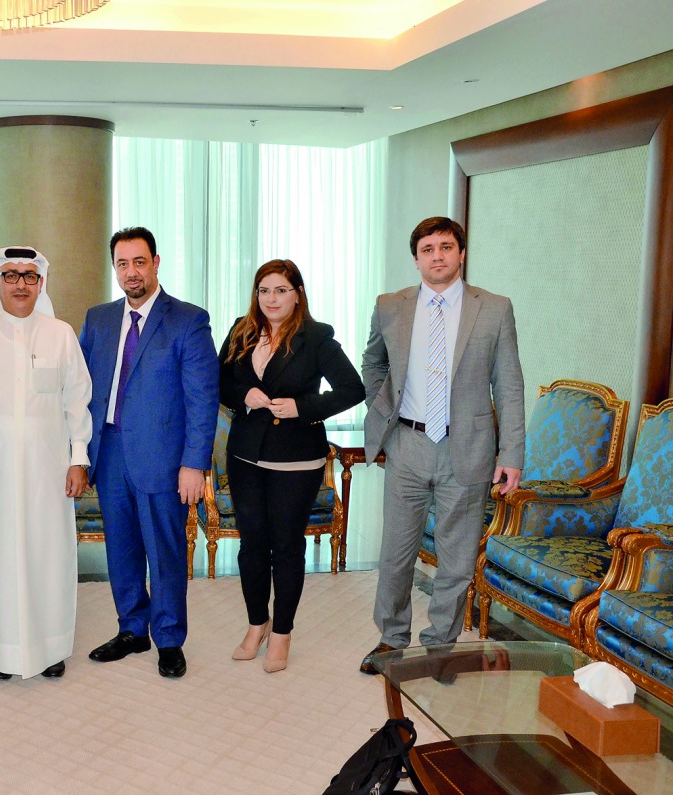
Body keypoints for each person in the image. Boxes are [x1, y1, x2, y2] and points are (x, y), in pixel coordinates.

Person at [360, 216, 524, 674]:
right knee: (395, 554)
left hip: (467, 450)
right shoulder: (390, 306)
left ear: (461, 253)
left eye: (446, 247)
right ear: (416, 259)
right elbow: (372, 363)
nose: (437, 256)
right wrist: (385, 411)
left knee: (456, 560)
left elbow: (508, 385)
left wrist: (511, 453)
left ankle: (440, 650)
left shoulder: (494, 308)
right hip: (408, 444)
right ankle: (391, 641)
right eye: (428, 249)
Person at [0, 246, 92, 681]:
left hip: (48, 470)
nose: (21, 284)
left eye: (30, 276)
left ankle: (49, 647)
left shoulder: (61, 334)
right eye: (11, 276)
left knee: (48, 554)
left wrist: (78, 458)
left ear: (41, 283)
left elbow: (77, 402)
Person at [79, 226, 218, 679]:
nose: (131, 272)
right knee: (119, 547)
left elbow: (202, 400)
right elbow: (78, 390)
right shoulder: (98, 319)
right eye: (123, 263)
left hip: (164, 456)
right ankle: (132, 629)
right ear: (114, 267)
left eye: (140, 262)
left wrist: (194, 463)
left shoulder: (188, 320)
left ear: (156, 263)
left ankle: (170, 638)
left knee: (164, 551)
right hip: (110, 450)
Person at [217, 259, 363, 672]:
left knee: (285, 546)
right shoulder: (241, 329)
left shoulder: (316, 337)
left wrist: (303, 407)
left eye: (281, 289)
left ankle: (281, 633)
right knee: (250, 547)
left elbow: (353, 389)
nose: (271, 298)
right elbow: (221, 381)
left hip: (296, 458)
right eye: (264, 290)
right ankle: (256, 624)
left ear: (297, 293)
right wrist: (243, 394)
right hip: (246, 454)